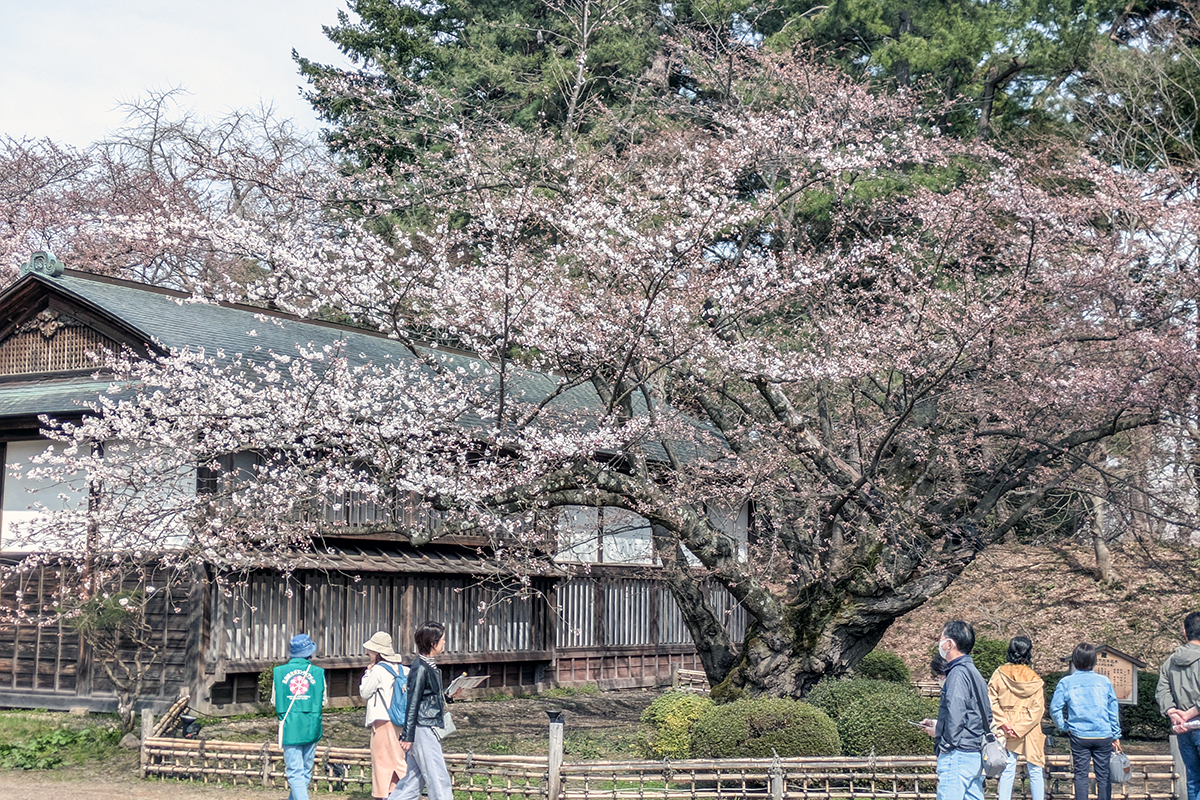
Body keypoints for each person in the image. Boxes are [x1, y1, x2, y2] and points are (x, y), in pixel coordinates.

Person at [918, 621, 992, 800]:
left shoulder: (957, 673)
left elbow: (956, 715)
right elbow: (982, 715)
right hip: (974, 751)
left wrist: (945, 744)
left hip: (958, 754)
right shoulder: (973, 672)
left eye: (941, 639)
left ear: (950, 644)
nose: (940, 643)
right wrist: (939, 726)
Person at [388, 621, 452, 800]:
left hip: (425, 724)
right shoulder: (420, 668)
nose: (444, 643)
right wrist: (408, 735)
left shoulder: (427, 665)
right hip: (423, 727)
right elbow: (413, 701)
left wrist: (449, 696)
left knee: (413, 781)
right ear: (433, 643)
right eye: (442, 640)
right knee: (437, 776)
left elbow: (428, 697)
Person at [1050, 642, 1122, 800]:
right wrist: (1115, 733)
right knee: (1103, 777)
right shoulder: (1104, 681)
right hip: (1103, 734)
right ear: (1094, 661)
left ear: (1074, 661)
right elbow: (1112, 709)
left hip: (1079, 735)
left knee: (1081, 776)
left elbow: (1055, 709)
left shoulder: (1066, 682)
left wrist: (1064, 726)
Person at [988, 636, 1047, 800]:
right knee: (1035, 769)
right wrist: (1020, 728)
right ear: (1028, 653)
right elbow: (1038, 709)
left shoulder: (999, 674)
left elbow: (990, 700)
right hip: (1030, 729)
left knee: (1007, 769)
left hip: (1006, 726)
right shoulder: (1034, 678)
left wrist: (1004, 723)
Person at [274, 633, 326, 800]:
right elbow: (323, 701)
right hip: (312, 724)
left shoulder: (279, 672)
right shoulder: (318, 673)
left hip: (290, 725)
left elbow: (274, 701)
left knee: (294, 772)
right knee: (305, 771)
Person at [1157, 612, 1200, 800]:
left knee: (1193, 778)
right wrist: (1191, 713)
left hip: (1182, 729)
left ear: (1185, 632)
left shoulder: (1170, 661)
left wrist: (1173, 713)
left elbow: (1162, 690)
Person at [360, 631, 408, 800]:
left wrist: (368, 672)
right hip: (401, 721)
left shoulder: (378, 670)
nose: (369, 653)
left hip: (382, 721)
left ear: (377, 652)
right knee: (398, 757)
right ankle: (399, 791)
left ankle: (384, 794)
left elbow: (364, 692)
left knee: (382, 761)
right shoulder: (404, 670)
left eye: (371, 650)